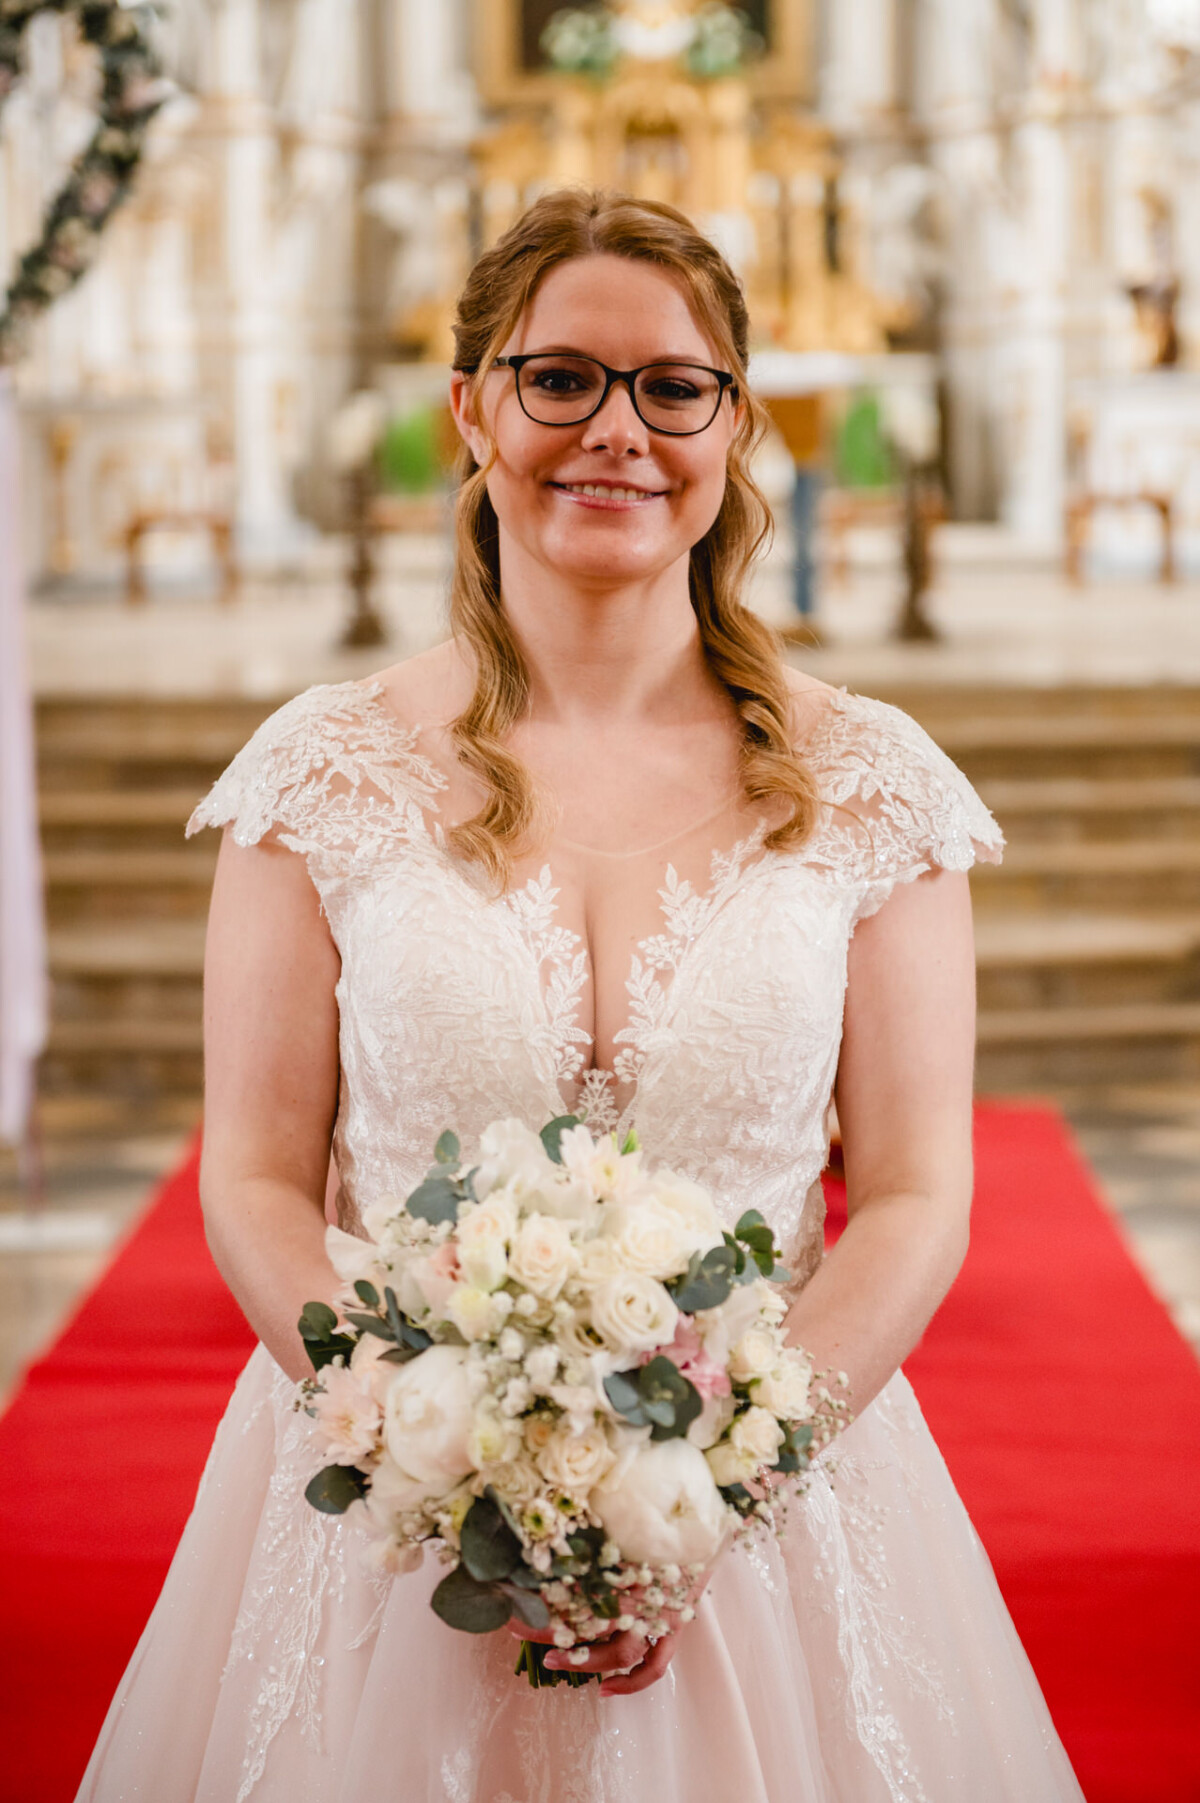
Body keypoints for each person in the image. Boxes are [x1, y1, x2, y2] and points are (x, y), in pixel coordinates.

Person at [77, 189, 1085, 1803]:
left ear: (736, 423)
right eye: (560, 379)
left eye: (672, 387)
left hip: (769, 1515)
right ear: (472, 408)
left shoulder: (873, 784)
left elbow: (912, 1195)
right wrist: (433, 1458)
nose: (618, 431)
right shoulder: (321, 775)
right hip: (395, 1518)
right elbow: (256, 1179)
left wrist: (714, 1492)